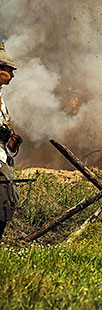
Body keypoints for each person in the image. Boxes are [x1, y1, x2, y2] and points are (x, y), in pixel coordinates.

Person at [0, 42, 20, 241]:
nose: (12, 75)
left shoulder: (1, 98)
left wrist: (9, 139)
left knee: (6, 203)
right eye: (9, 70)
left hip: (1, 155)